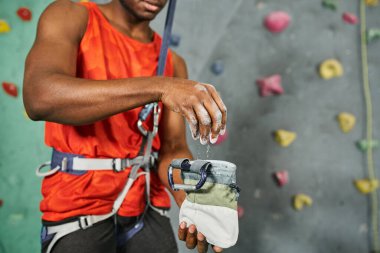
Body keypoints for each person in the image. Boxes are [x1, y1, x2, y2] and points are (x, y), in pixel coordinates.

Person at [23, 0, 227, 252]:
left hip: (145, 206)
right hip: (77, 205)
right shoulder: (71, 16)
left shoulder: (173, 64)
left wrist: (194, 200)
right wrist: (160, 87)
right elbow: (39, 97)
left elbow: (173, 150)